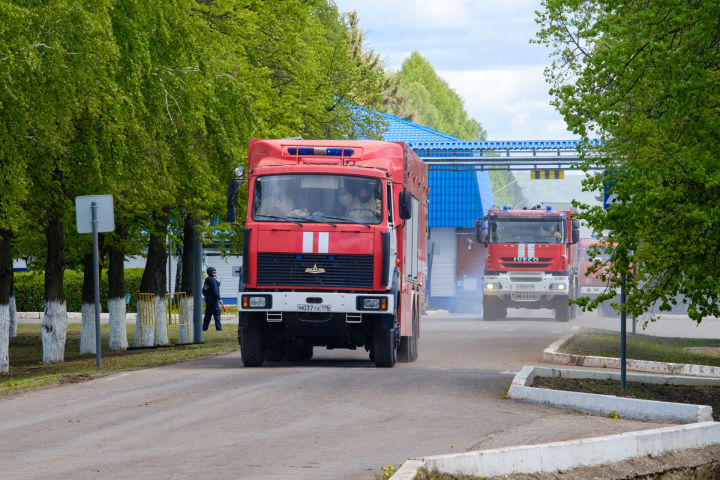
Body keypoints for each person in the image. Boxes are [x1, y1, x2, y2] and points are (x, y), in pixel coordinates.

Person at [202, 266, 224, 331]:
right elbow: (215, 290)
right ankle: (219, 328)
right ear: (210, 273)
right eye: (214, 272)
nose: (215, 273)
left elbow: (203, 290)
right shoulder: (213, 280)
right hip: (213, 300)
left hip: (207, 300)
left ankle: (204, 328)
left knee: (208, 315)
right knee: (217, 313)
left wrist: (206, 297)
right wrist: (219, 299)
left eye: (215, 272)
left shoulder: (206, 280)